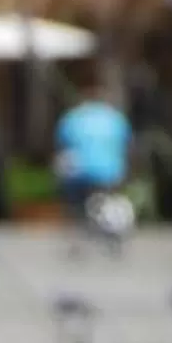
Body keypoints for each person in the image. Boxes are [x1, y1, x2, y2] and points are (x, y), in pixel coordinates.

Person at [53, 85, 134, 238]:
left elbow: (61, 145)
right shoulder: (115, 117)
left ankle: (74, 219)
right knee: (110, 193)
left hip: (79, 172)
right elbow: (127, 144)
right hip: (111, 171)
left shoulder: (72, 117)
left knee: (67, 179)